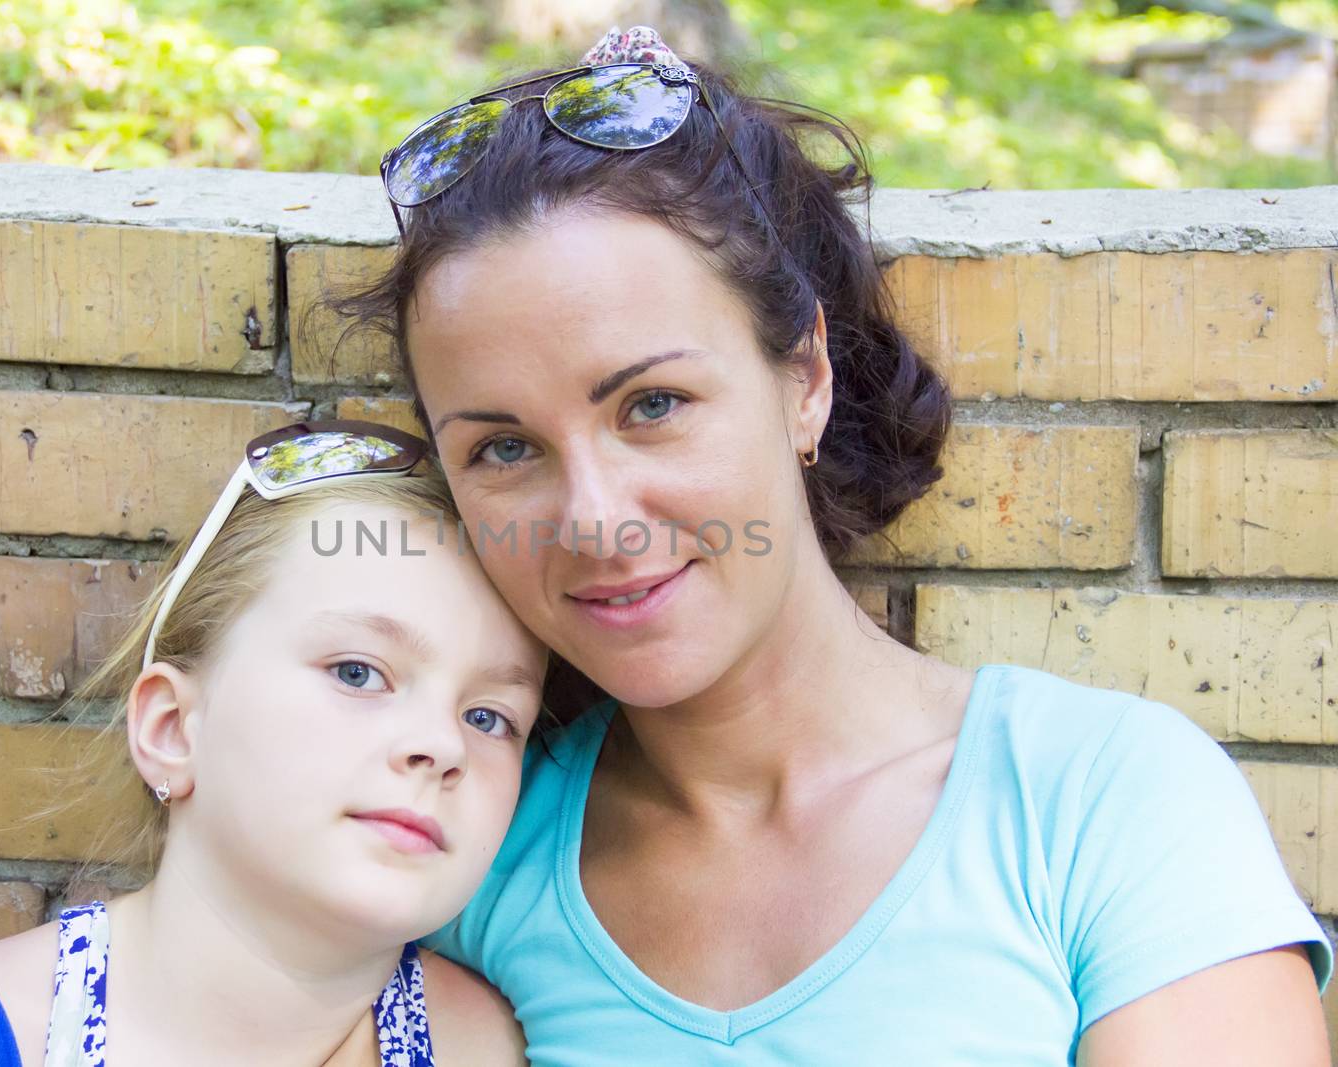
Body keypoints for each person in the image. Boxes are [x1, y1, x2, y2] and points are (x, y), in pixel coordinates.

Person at [335, 24, 1334, 1066]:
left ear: (805, 377)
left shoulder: (1098, 802)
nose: (593, 518)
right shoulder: (461, 845)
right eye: (503, 447)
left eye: (653, 403)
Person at [0, 423, 543, 1067]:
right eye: (358, 670)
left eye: (489, 717)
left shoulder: (489, 1041)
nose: (442, 744)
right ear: (172, 729)